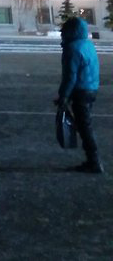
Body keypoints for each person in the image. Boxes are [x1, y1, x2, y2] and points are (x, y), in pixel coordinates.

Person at [57, 16, 101, 173]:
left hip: (81, 91)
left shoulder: (72, 49)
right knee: (85, 125)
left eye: (64, 31)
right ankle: (92, 160)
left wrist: (63, 96)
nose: (62, 34)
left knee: (84, 127)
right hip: (91, 88)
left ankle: (94, 162)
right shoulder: (88, 45)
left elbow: (70, 77)